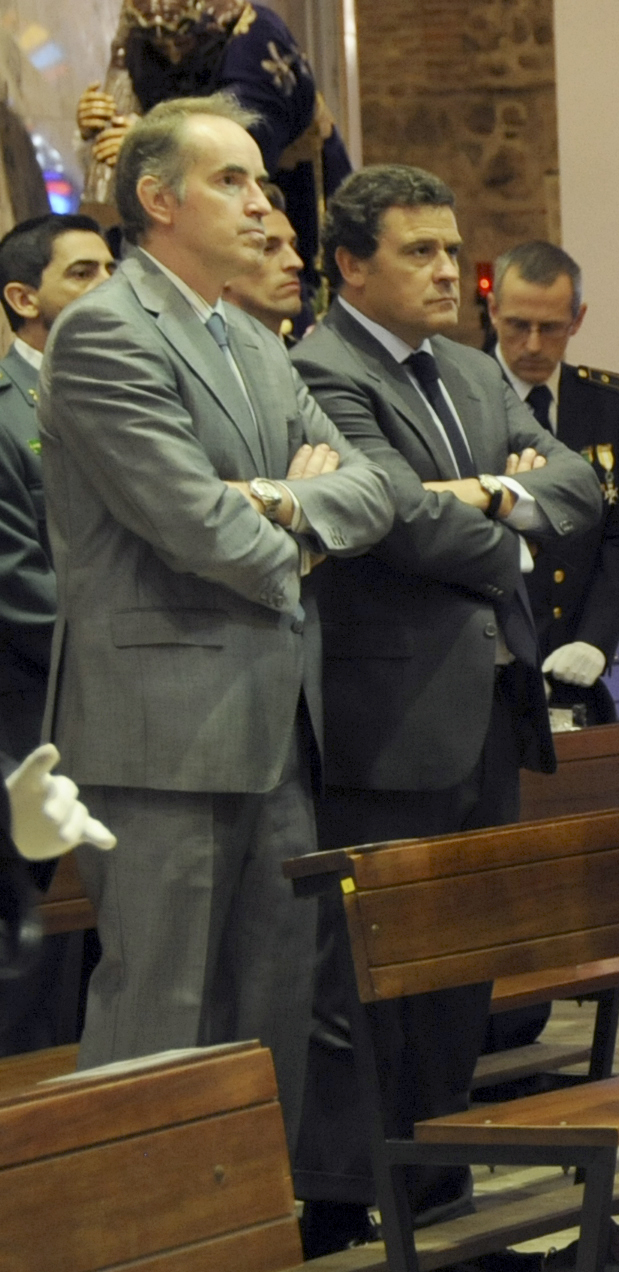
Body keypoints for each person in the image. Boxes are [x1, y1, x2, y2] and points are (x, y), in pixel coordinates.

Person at [41, 84, 392, 1136]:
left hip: (273, 723)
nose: (261, 204)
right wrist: (299, 526)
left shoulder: (254, 341)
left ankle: (250, 1234)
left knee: (269, 1013)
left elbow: (375, 486)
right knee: (160, 1014)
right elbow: (198, 528)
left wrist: (279, 499)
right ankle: (126, 1244)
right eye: (231, 181)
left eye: (262, 182)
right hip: (161, 732)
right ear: (159, 200)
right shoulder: (106, 333)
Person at [289, 163, 601, 1272]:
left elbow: (577, 486)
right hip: (388, 718)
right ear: (350, 265)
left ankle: (439, 1217)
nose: (442, 273)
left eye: (448, 251)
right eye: (416, 252)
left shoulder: (469, 368)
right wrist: (505, 521)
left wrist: (494, 496)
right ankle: (344, 1234)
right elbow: (393, 519)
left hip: (488, 712)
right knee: (367, 988)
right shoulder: (321, 368)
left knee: (458, 977)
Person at [0, 212, 114, 1062]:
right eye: (82, 273)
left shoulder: (126, 395)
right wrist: (119, 653)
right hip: (37, 713)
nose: (107, 286)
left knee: (115, 957)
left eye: (112, 268)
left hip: (125, 711)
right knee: (40, 986)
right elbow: (16, 577)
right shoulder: (7, 411)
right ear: (21, 297)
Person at [76, 1, 351, 308]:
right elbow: (124, 108)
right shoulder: (139, 28)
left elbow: (241, 134)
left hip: (279, 191)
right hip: (185, 200)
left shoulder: (255, 30)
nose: (171, 47)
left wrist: (147, 139)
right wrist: (99, 121)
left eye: (178, 39)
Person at [488, 240, 619, 726]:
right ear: (493, 311)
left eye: (551, 327)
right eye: (518, 325)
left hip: (575, 671)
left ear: (577, 320)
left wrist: (596, 641)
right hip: (491, 672)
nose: (534, 344)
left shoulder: (603, 402)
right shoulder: (464, 396)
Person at [224, 181, 305, 340]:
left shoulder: (309, 353)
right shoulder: (199, 353)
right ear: (220, 265)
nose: (296, 262)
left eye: (293, 245)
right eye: (268, 248)